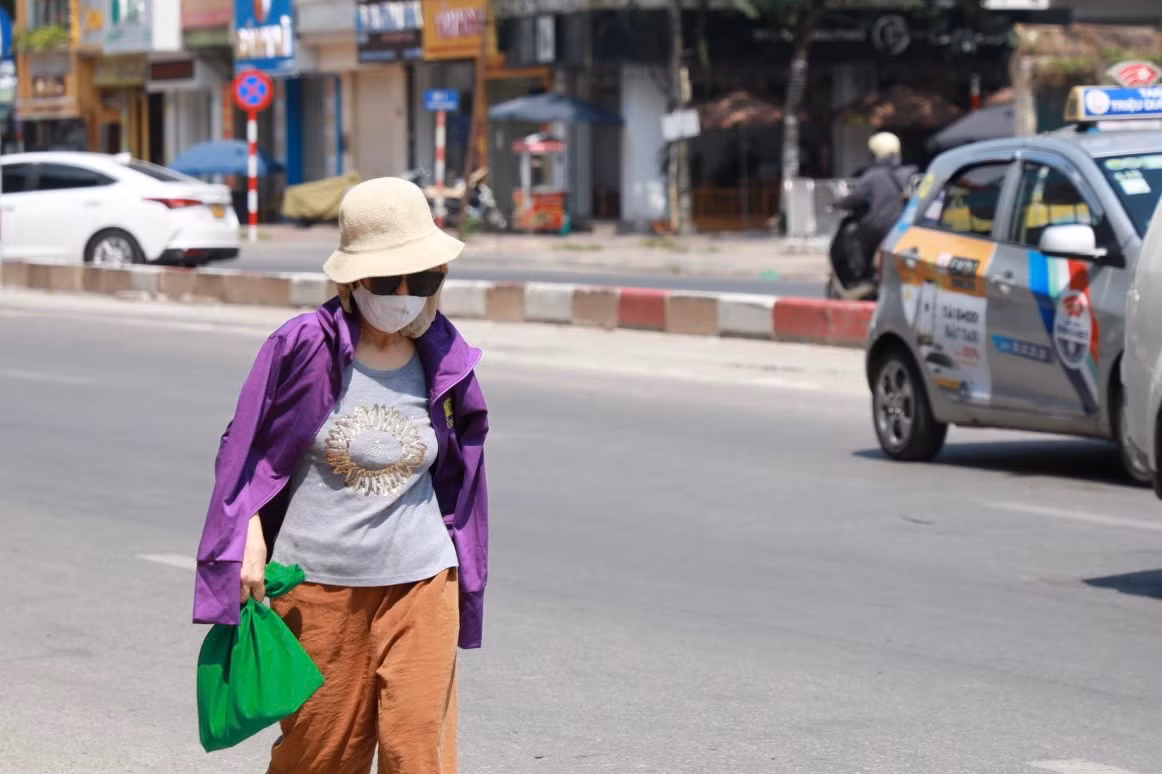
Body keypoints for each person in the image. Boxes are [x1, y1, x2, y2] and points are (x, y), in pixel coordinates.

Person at [193, 177, 489, 774]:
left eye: (423, 280)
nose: (405, 295)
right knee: (320, 756)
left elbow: (464, 471)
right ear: (352, 280)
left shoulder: (446, 356)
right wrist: (245, 532)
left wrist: (467, 568)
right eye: (387, 281)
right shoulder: (303, 346)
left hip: (422, 581)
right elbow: (242, 446)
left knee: (419, 752)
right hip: (317, 588)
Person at [834, 132, 916, 292]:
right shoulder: (910, 173)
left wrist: (838, 204)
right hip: (906, 227)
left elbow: (855, 198)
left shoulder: (872, 176)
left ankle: (861, 277)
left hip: (880, 225)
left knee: (852, 236)